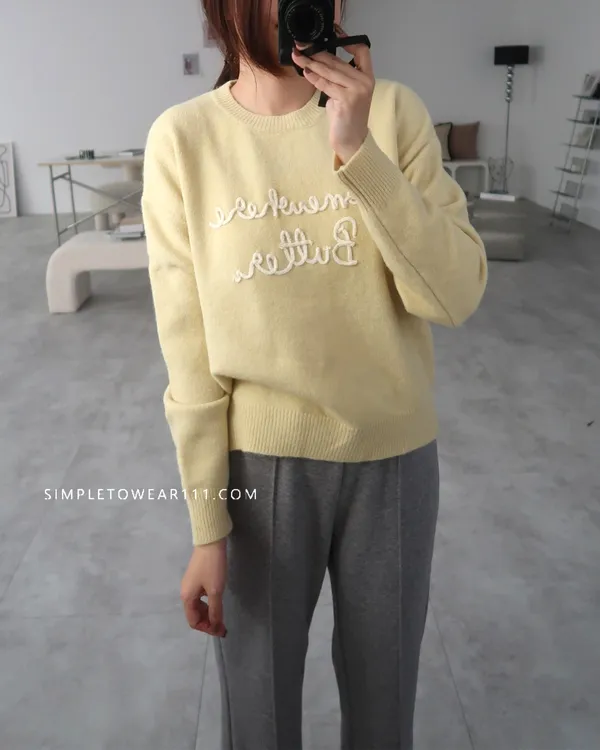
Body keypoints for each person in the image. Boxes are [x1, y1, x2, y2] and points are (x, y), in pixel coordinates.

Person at [141, 0, 487, 747]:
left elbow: (454, 295)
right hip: (258, 469)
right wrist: (207, 528)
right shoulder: (184, 140)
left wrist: (359, 151)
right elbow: (188, 354)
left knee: (383, 704)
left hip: (393, 461)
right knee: (258, 714)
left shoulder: (392, 112)